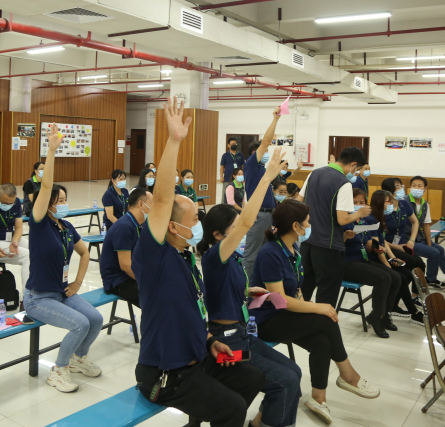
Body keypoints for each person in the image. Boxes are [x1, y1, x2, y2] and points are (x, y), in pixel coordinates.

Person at [134, 98, 265, 427]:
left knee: (253, 378)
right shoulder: (154, 255)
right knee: (233, 408)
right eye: (194, 218)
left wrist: (210, 341)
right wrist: (174, 141)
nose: (199, 224)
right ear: (171, 225)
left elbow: (192, 310)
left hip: (198, 357)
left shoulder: (186, 257)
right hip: (165, 372)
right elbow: (162, 199)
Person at [199, 147, 306, 427]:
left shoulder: (232, 258)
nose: (243, 231)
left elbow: (219, 290)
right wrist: (265, 178)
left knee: (294, 372)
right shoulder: (215, 256)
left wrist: (249, 292)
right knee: (285, 381)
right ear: (218, 234)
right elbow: (248, 219)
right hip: (226, 342)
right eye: (235, 228)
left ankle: (259, 423)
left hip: (243, 333)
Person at [251, 198, 380, 423]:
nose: (309, 226)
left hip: (285, 316)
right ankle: (348, 374)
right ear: (295, 226)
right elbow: (280, 301)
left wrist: (308, 306)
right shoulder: (270, 253)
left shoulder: (293, 249)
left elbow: (296, 288)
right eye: (307, 222)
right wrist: (315, 307)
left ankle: (318, 399)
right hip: (266, 321)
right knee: (325, 318)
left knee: (322, 340)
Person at [25, 123, 104, 393]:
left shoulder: (66, 227)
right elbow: (46, 184)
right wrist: (51, 151)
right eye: (58, 200)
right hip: (39, 298)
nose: (63, 203)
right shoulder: (39, 223)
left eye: (65, 199)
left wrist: (78, 282)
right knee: (79, 324)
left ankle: (78, 359)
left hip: (62, 292)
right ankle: (58, 371)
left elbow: (84, 252)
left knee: (95, 318)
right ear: (47, 203)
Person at [299, 146, 370, 305]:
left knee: (305, 288)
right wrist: (358, 213)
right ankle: (322, 322)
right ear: (352, 164)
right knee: (326, 294)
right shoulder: (343, 183)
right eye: (357, 169)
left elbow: (298, 202)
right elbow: (342, 220)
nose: (355, 173)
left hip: (307, 242)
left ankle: (300, 319)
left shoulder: (314, 173)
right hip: (328, 247)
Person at [342, 189, 401, 339]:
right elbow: (334, 245)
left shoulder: (362, 221)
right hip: (347, 263)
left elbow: (369, 243)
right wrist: (345, 237)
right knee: (383, 278)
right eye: (355, 202)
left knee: (395, 277)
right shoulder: (343, 221)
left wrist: (377, 248)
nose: (358, 205)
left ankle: (384, 314)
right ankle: (377, 316)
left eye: (361, 202)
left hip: (362, 260)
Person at [368, 190, 426, 325]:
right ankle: (411, 312)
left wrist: (393, 258)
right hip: (374, 257)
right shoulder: (372, 219)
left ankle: (387, 310)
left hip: (383, 253)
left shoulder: (381, 217)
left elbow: (382, 243)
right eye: (388, 201)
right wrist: (389, 264)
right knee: (401, 276)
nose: (391, 204)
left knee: (407, 274)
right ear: (379, 203)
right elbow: (376, 247)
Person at [399, 176, 445, 288]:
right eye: (413, 185)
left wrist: (429, 244)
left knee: (439, 249)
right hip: (406, 240)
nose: (416, 188)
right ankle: (431, 279)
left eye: (419, 186)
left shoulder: (425, 204)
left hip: (419, 238)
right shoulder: (403, 202)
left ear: (425, 189)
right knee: (434, 253)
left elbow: (426, 225)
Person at [242, 105, 282, 276]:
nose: (267, 153)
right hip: (258, 215)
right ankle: (245, 287)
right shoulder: (251, 164)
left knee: (264, 252)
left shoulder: (263, 169)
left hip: (267, 215)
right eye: (265, 151)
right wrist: (275, 119)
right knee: (252, 255)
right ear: (255, 152)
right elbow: (265, 141)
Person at [100, 186, 150, 306]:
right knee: (156, 295)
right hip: (118, 280)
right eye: (152, 204)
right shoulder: (124, 227)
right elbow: (125, 265)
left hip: (131, 273)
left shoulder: (140, 224)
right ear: (141, 204)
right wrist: (147, 280)